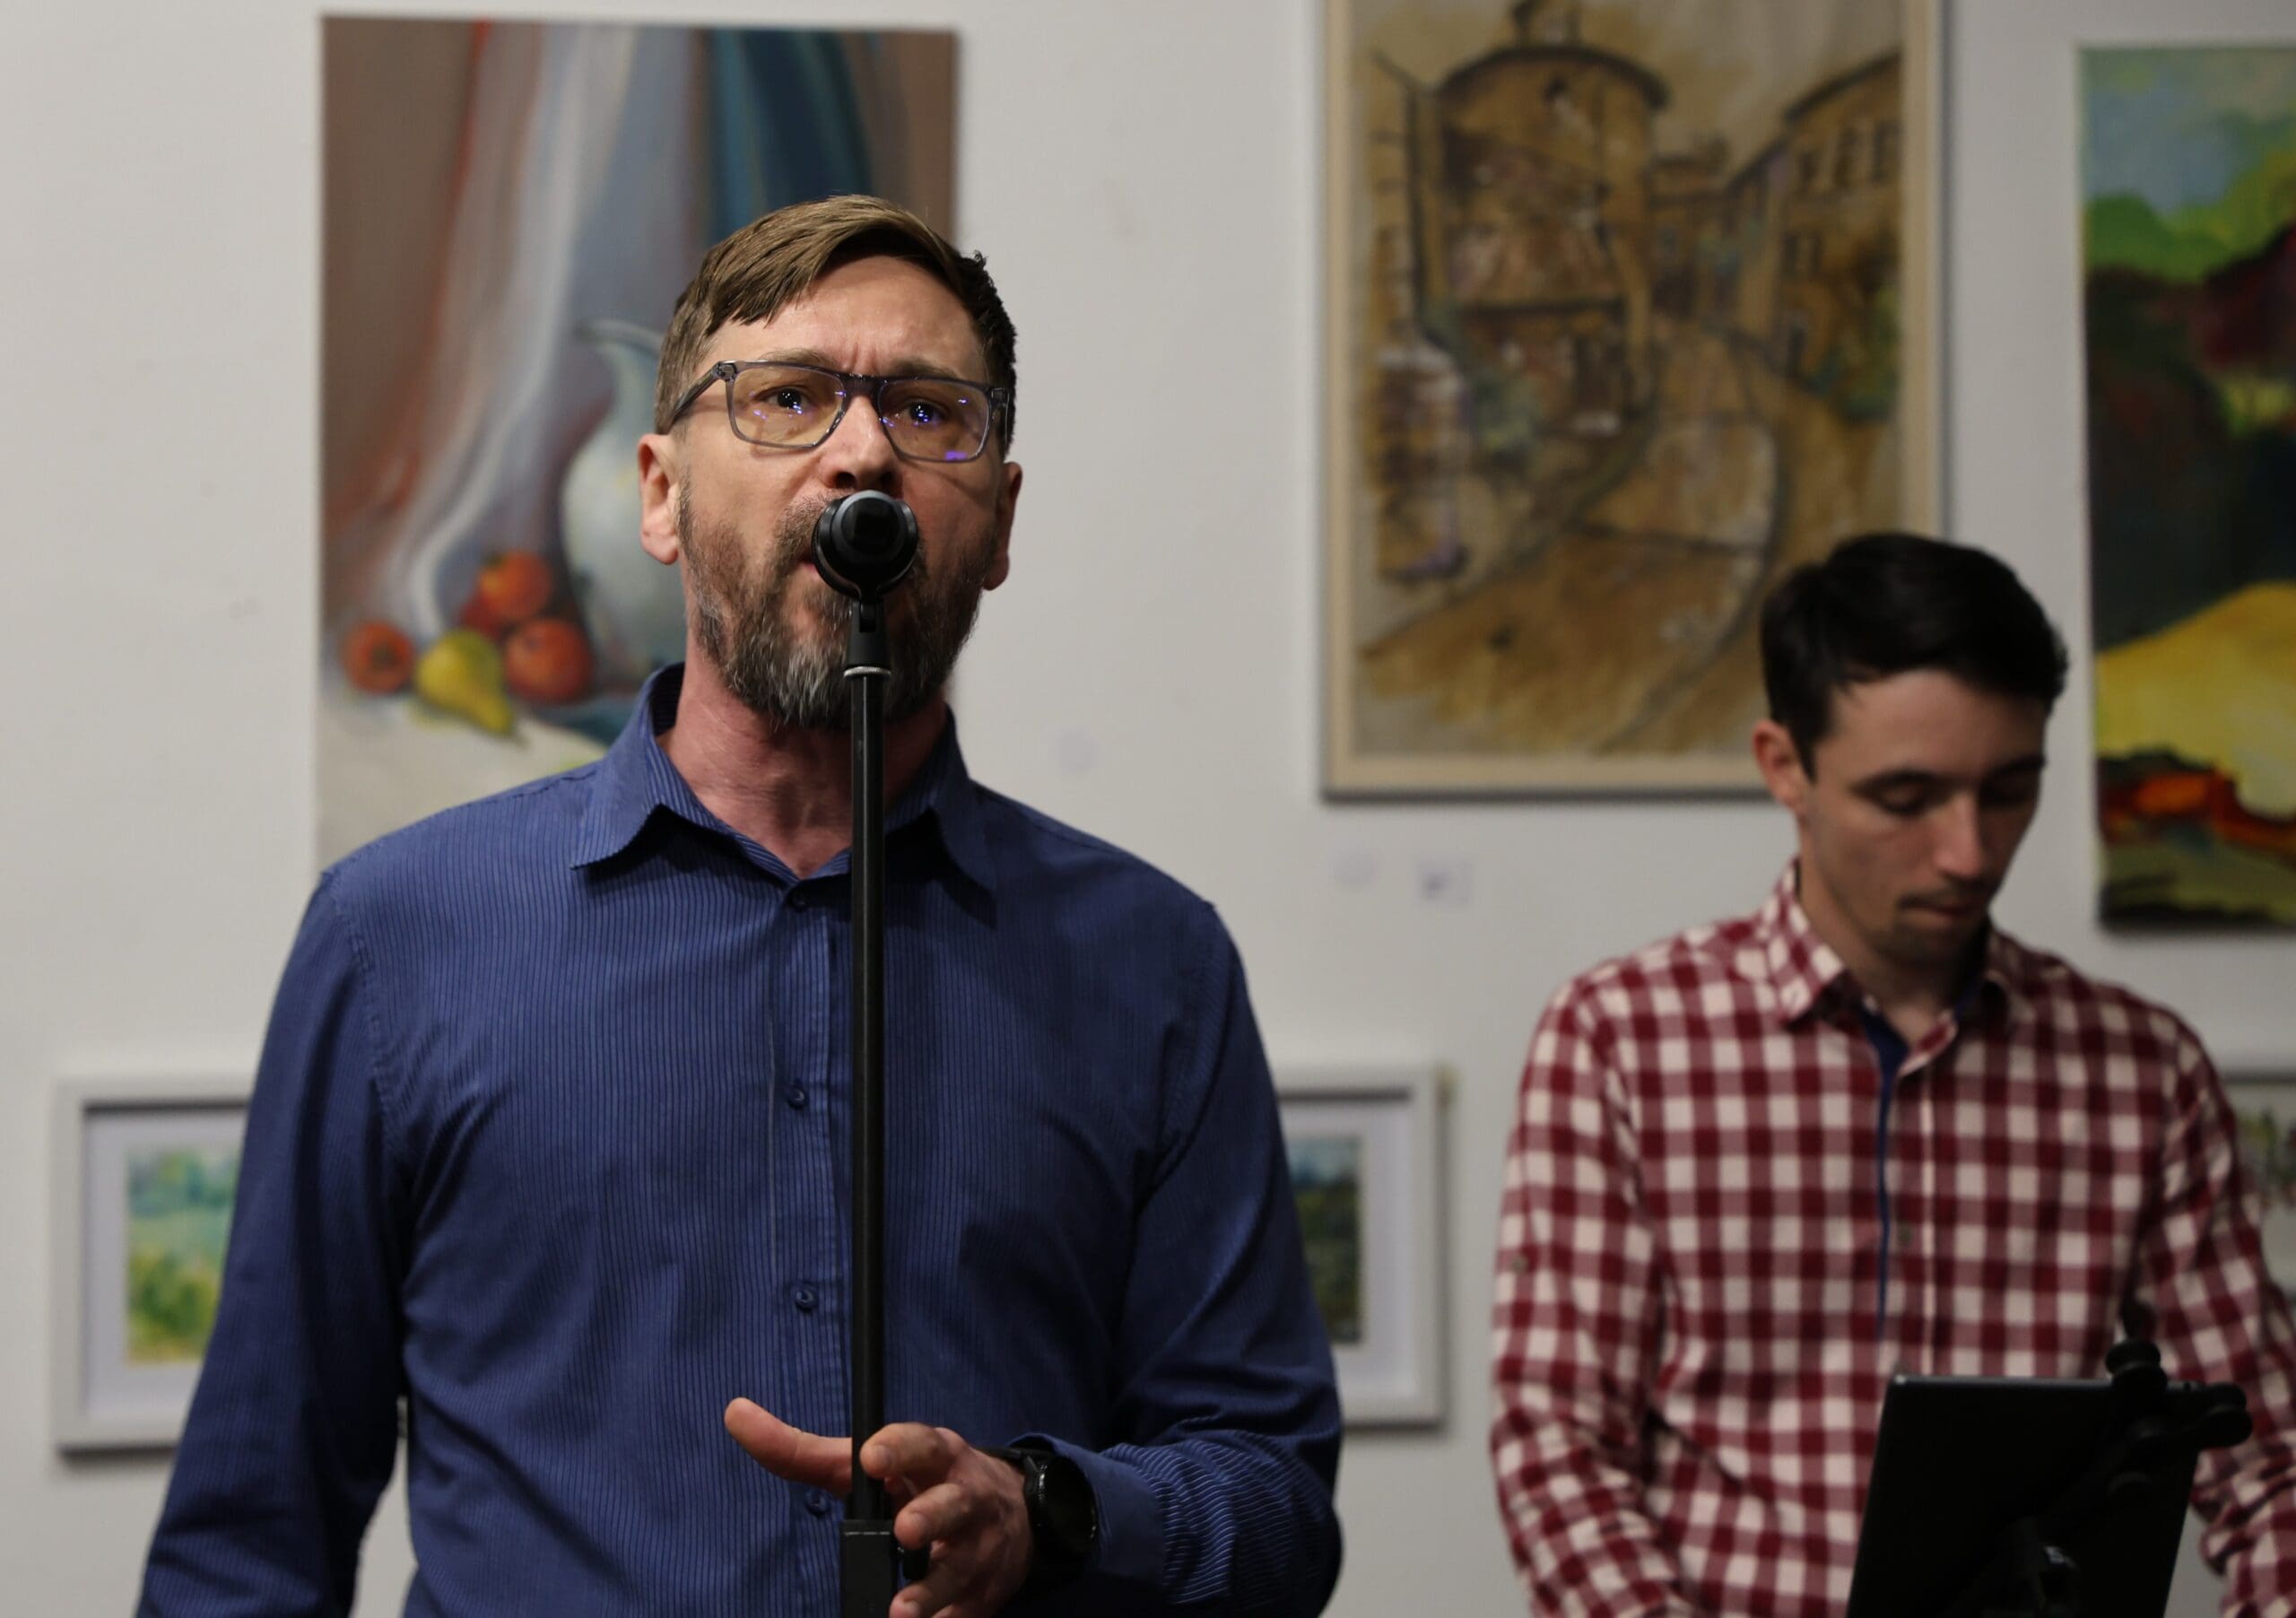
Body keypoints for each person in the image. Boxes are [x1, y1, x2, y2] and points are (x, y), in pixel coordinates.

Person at [140, 195, 1342, 1617]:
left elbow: (1275, 1509)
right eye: (786, 399)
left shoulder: (1153, 963)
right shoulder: (398, 936)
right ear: (660, 494)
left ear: (1000, 523)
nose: (863, 453)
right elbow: (247, 1544)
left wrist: (1051, 1510)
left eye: (928, 412)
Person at [1488, 532, 2296, 1617]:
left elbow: (2269, 1460)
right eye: (1906, 797)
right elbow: (1559, 1449)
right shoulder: (1618, 1040)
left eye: (2008, 789)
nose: (1968, 851)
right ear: (1785, 767)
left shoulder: (2142, 1070)